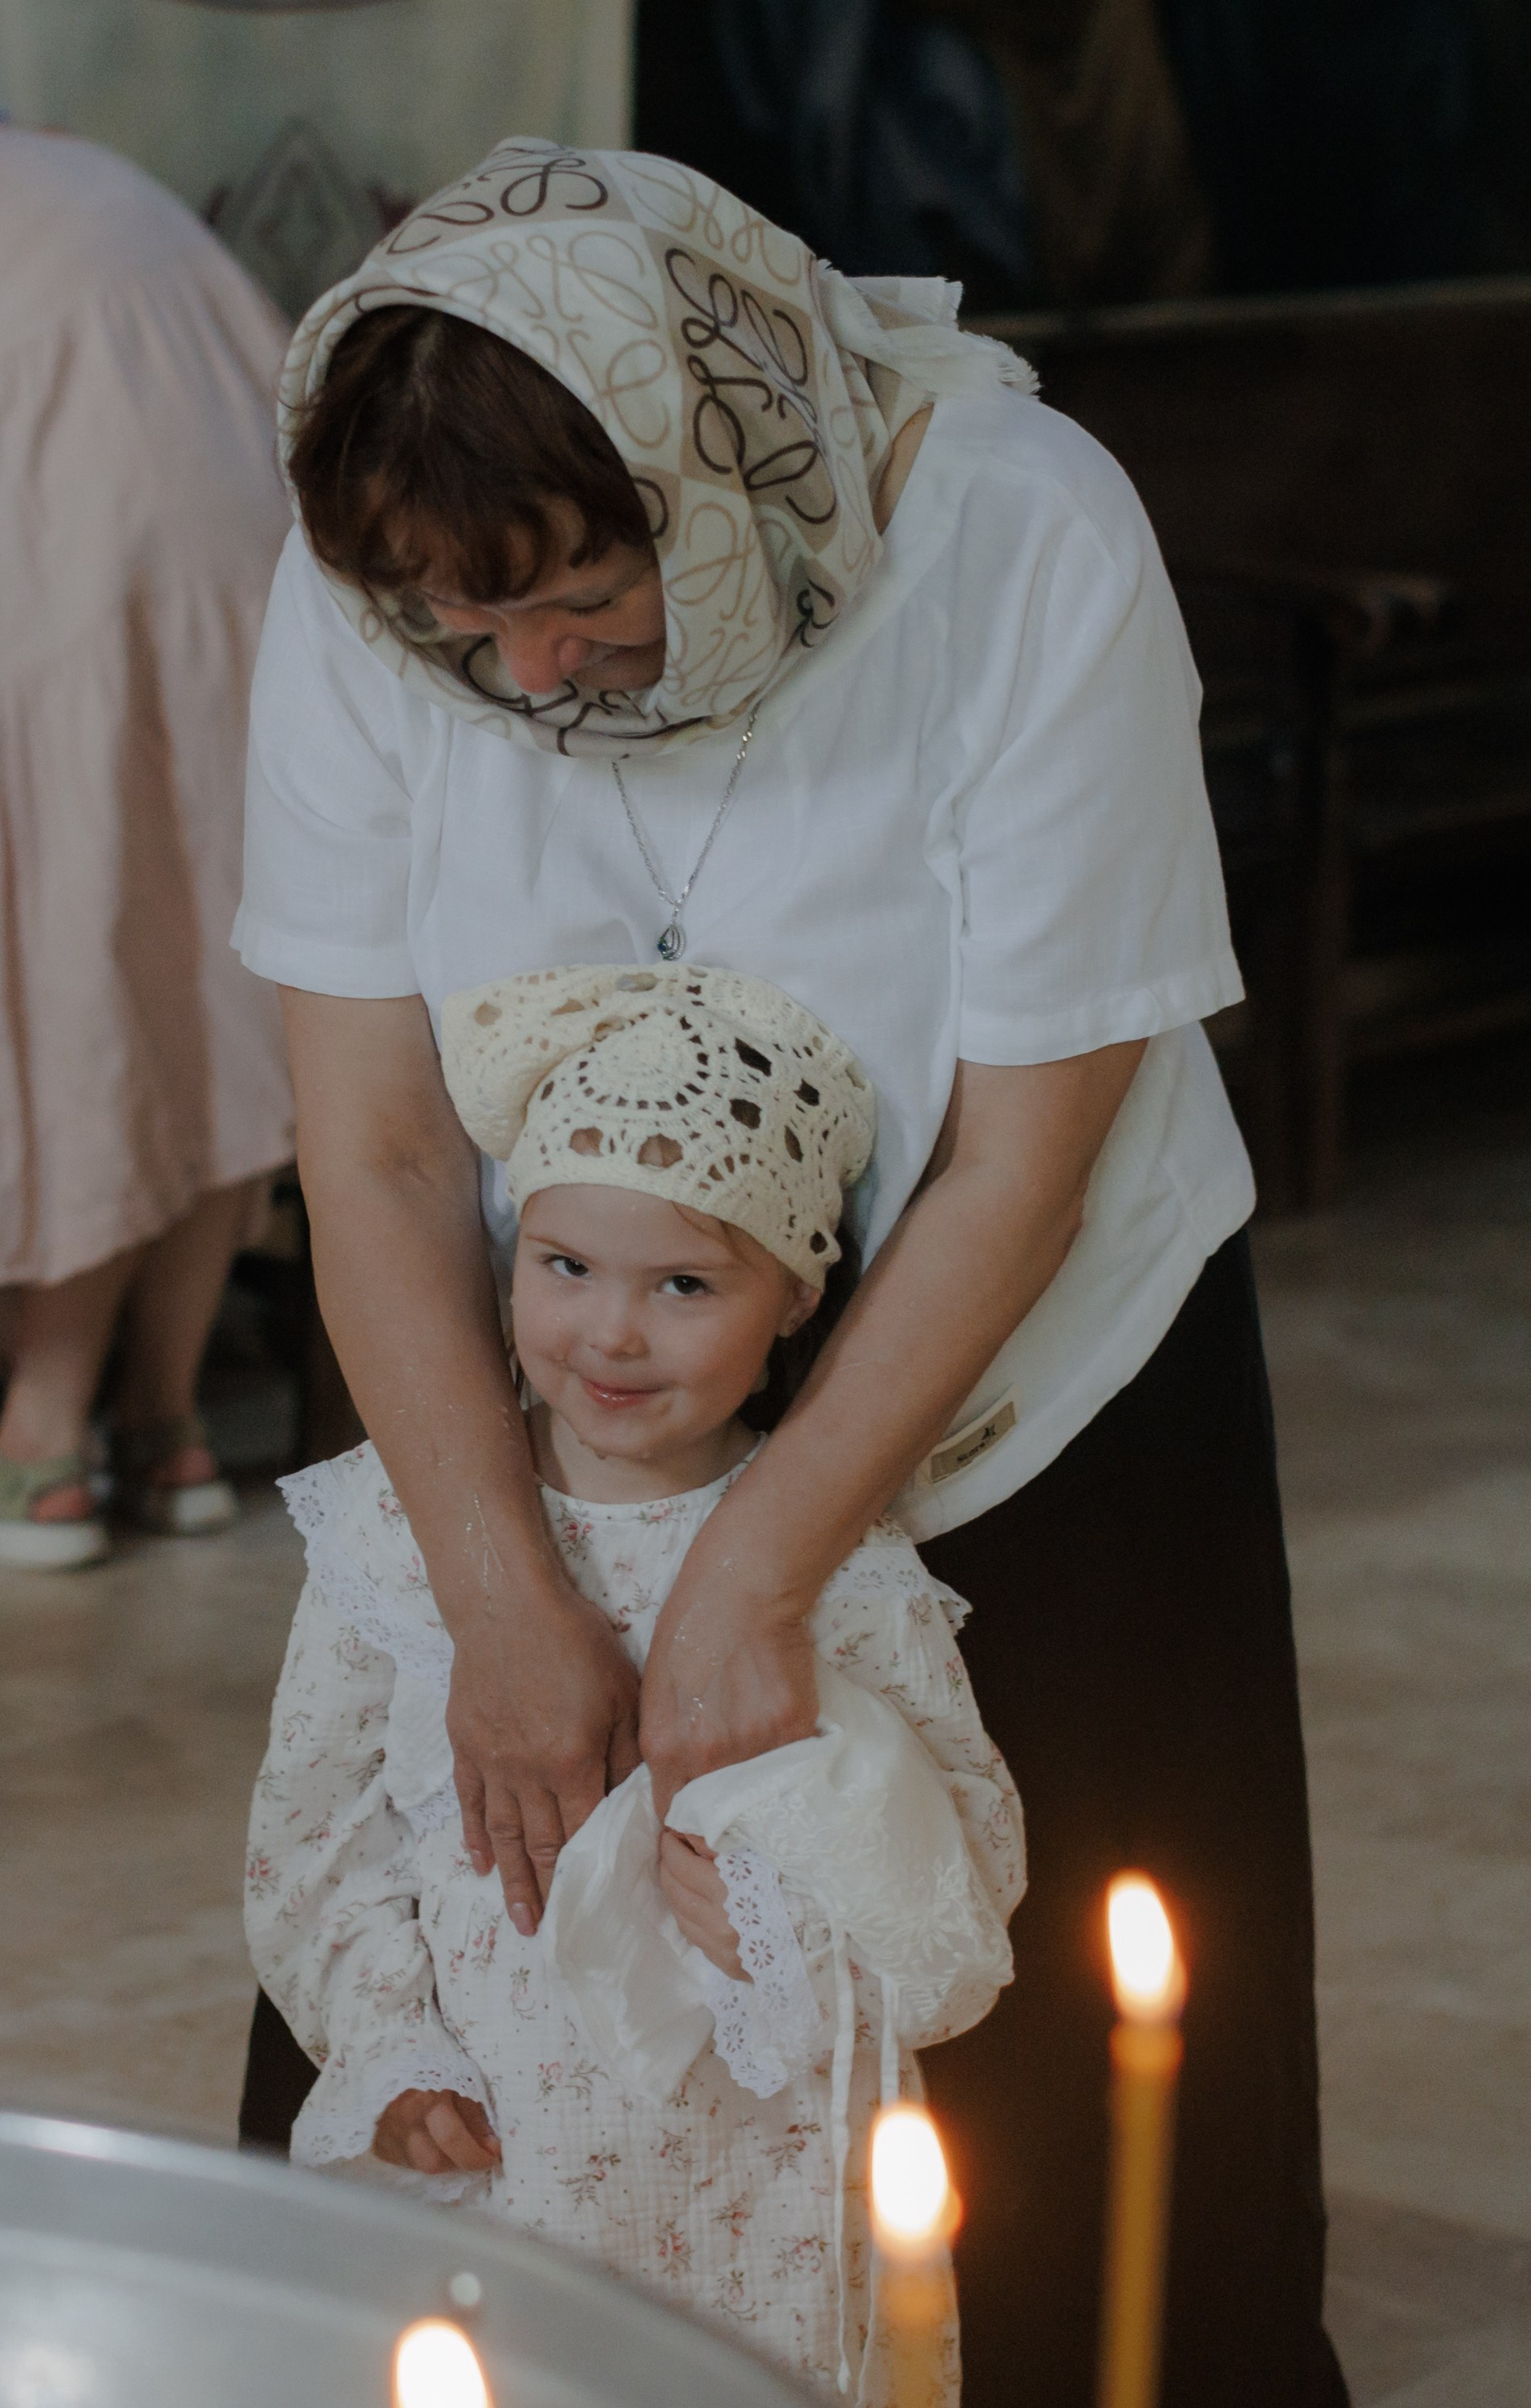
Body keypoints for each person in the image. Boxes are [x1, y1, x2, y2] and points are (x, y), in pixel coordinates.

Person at [236, 138, 1347, 2407]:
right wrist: (496, 1583)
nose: (526, 677)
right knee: (463, 1996)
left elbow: (1028, 1146)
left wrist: (760, 1565)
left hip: (1012, 1344)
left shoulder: (1022, 530)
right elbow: (362, 1144)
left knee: (1034, 2135)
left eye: (582, 605)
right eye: (469, 633)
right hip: (563, 1353)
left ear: (709, 475)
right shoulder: (378, 591)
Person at [248, 965, 1025, 2402]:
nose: (610, 1334)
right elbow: (316, 1837)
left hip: (762, 2183)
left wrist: (793, 1913)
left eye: (682, 1285)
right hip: (496, 2147)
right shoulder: (396, 1532)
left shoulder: (834, 1565)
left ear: (793, 1298)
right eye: (566, 1268)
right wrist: (393, 2052)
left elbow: (963, 1874)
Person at [0, 73, 294, 1566]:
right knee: (206, 957)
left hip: (89, 538)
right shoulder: (44, 162)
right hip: (254, 539)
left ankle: (37, 1450)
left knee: (75, 957)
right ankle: (165, 1425)